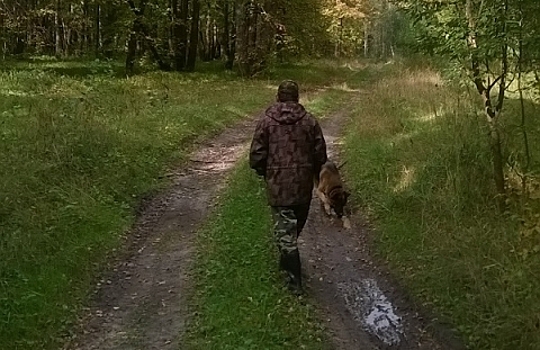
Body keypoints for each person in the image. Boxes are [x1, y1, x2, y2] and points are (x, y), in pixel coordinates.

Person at [249, 80, 327, 293]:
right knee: (293, 228)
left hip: (278, 185)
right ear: (297, 97)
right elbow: (321, 155)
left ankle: (295, 281)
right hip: (302, 186)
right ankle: (289, 265)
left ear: (278, 96)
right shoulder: (310, 121)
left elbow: (256, 155)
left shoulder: (266, 122)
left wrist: (264, 171)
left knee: (285, 231)